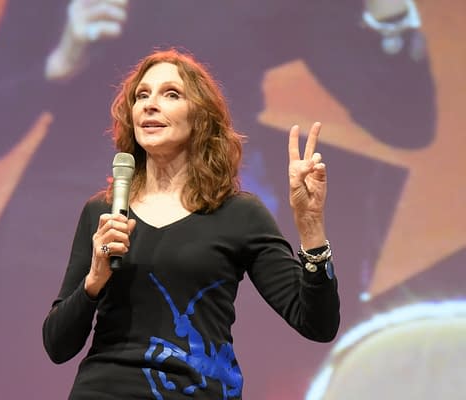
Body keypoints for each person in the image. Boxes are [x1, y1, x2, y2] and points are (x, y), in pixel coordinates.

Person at [42, 48, 340, 399]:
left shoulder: (238, 214)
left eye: (171, 94)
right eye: (142, 95)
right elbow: (57, 345)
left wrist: (310, 226)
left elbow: (316, 324)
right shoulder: (103, 212)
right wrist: (93, 280)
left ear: (200, 118)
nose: (150, 105)